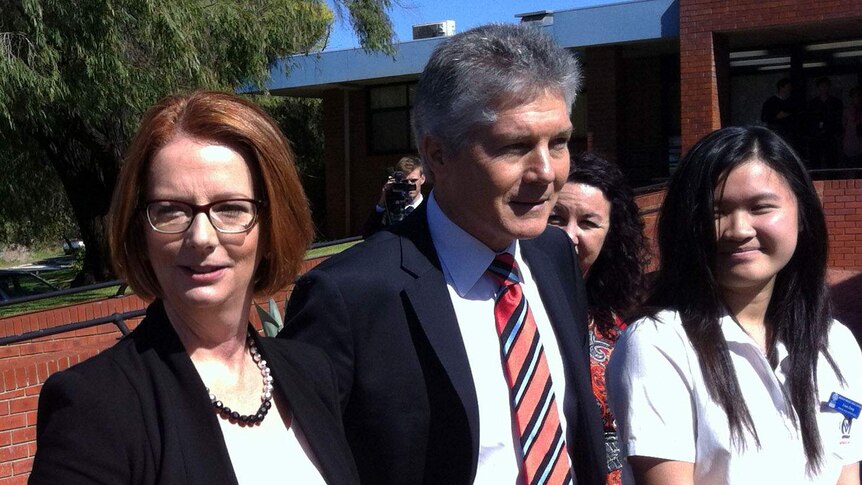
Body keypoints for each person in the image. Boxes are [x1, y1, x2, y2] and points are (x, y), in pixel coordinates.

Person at [280, 24, 607, 485]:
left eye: (558, 142)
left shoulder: (554, 254)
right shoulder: (349, 296)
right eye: (514, 146)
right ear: (437, 153)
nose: (546, 173)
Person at [29, 91, 359, 484]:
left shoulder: (311, 372)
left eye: (230, 208)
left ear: (270, 226)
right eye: (170, 210)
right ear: (141, 232)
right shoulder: (95, 407)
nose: (201, 237)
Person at [607, 126, 862, 484]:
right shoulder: (658, 344)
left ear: (802, 213)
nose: (739, 228)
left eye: (761, 207)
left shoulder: (837, 344)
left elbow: (845, 474)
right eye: (716, 211)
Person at [548, 152, 647, 485]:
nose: (569, 235)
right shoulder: (507, 312)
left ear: (610, 237)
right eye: (556, 218)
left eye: (588, 223)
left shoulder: (628, 325)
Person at [361, 154, 426, 236]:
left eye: (413, 181)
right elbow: (368, 234)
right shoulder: (390, 208)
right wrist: (382, 202)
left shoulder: (429, 207)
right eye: (404, 182)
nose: (409, 185)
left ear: (422, 179)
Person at [806, 77, 844, 169]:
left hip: (830, 135)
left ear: (829, 87)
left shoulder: (835, 102)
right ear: (818, 88)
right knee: (815, 160)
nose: (824, 88)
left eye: (826, 86)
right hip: (816, 136)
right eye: (821, 86)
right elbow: (808, 120)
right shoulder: (812, 103)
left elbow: (839, 119)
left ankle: (833, 179)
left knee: (831, 159)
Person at [761, 78, 797, 146]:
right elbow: (764, 118)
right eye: (788, 87)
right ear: (781, 87)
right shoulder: (770, 102)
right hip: (776, 132)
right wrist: (776, 117)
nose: (790, 89)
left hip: (790, 133)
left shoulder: (792, 101)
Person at [842, 86, 862, 167]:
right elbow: (844, 125)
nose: (857, 98)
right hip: (850, 142)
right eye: (855, 96)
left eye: (859, 96)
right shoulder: (846, 111)